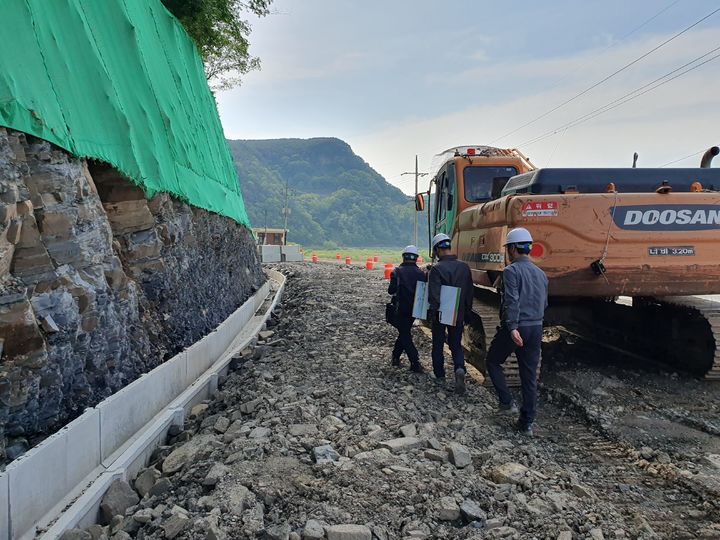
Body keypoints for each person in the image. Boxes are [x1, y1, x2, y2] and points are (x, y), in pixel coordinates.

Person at [486, 227, 548, 437]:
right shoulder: (541, 274)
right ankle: (526, 422)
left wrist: (512, 327)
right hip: (536, 327)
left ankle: (506, 402)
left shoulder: (511, 272)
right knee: (529, 376)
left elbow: (511, 301)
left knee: (493, 361)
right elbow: (544, 302)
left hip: (517, 327)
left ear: (512, 249)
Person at [427, 233, 474, 393]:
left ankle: (439, 375)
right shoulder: (464, 267)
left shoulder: (437, 269)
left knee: (438, 344)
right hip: (458, 312)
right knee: (455, 344)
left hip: (441, 314)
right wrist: (467, 312)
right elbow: (469, 292)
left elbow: (434, 295)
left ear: (437, 249)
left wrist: (432, 313)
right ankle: (459, 368)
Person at [388, 245, 426, 373]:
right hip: (414, 310)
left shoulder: (397, 272)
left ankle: (414, 361)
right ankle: (395, 357)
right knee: (404, 333)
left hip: (400, 309)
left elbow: (391, 291)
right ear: (416, 258)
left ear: (403, 257)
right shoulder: (421, 274)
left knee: (405, 334)